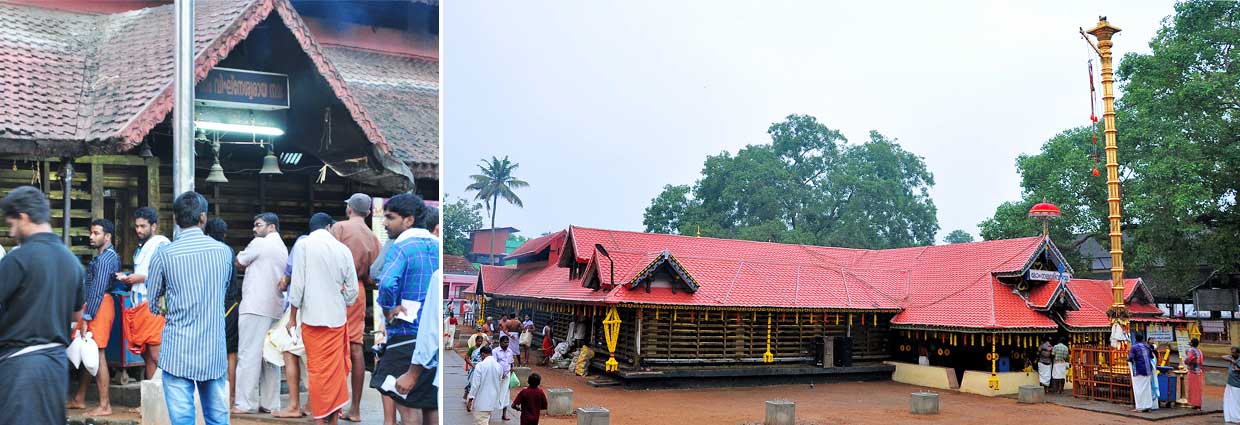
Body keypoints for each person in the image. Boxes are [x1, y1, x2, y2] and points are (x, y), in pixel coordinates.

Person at [145, 191, 235, 424]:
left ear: (175, 218)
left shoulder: (164, 254)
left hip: (178, 350)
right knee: (217, 417)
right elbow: (224, 292)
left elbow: (152, 301)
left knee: (182, 419)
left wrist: (166, 307)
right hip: (212, 348)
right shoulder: (223, 252)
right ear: (203, 218)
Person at [0, 187, 84, 425]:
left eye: (12, 223)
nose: (11, 231)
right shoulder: (72, 261)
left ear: (24, 217)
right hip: (56, 363)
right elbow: (78, 314)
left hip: (21, 365)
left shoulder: (18, 259)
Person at [371, 194, 440, 423]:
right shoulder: (437, 245)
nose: (385, 223)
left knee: (405, 402)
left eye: (390, 217)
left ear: (408, 220)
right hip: (432, 335)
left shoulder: (402, 246)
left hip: (405, 332)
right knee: (429, 402)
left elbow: (387, 282)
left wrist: (389, 309)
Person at [288, 213, 359, 424]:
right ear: (329, 227)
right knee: (336, 370)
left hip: (312, 319)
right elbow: (352, 290)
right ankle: (333, 420)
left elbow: (297, 285)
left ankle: (320, 419)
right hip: (337, 319)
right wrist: (342, 298)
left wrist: (292, 317)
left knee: (317, 371)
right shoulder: (342, 249)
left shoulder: (304, 245)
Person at [332, 193, 382, 422]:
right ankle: (356, 409)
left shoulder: (339, 228)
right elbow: (375, 275)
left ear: (349, 208)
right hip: (359, 290)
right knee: (355, 346)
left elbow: (328, 260)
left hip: (335, 288)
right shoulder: (373, 238)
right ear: (369, 213)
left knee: (331, 344)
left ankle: (332, 406)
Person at [233, 212, 289, 414]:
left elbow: (239, 261)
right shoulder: (282, 248)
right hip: (275, 307)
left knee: (248, 354)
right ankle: (270, 402)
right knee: (270, 356)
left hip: (255, 306)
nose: (254, 229)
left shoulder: (259, 243)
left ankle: (245, 402)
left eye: (258, 225)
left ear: (271, 227)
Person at [70, 218, 121, 416]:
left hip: (99, 306)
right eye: (91, 233)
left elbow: (98, 290)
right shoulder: (104, 257)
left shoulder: (105, 259)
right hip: (97, 305)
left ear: (107, 236)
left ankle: (105, 405)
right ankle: (80, 398)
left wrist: (88, 316)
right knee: (88, 352)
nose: (92, 237)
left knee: (98, 355)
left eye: (96, 233)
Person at [116, 207, 171, 380]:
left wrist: (140, 278)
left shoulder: (161, 244)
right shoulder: (142, 247)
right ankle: (151, 401)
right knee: (147, 355)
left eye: (143, 226)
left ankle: (165, 399)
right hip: (138, 305)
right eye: (137, 226)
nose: (139, 230)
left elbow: (166, 275)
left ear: (153, 226)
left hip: (152, 304)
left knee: (156, 354)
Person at [396, 269, 443, 425]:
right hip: (428, 355)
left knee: (407, 401)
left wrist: (413, 373)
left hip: (407, 334)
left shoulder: (437, 276)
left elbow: (431, 329)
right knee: (431, 405)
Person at [204, 219, 242, 409]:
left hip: (214, 306)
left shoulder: (208, 252)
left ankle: (214, 397)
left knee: (211, 350)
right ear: (224, 234)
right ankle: (231, 396)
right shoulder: (228, 251)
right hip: (231, 306)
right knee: (231, 353)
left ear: (207, 234)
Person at [467, 345, 504, 425]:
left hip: (482, 401)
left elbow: (475, 385)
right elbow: (499, 382)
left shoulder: (480, 366)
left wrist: (470, 398)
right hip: (493, 400)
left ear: (483, 354)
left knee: (480, 422)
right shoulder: (499, 367)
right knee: (485, 420)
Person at [1129, 333, 1155, 413]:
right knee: (1147, 389)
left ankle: (1140, 407)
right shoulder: (1147, 346)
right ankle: (1148, 406)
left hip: (1138, 370)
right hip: (1148, 370)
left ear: (1135, 339)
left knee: (1138, 389)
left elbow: (1130, 358)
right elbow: (1152, 357)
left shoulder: (1134, 347)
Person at [493, 334, 516, 421]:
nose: (506, 344)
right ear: (500, 342)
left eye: (508, 342)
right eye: (505, 342)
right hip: (497, 376)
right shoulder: (495, 351)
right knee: (494, 393)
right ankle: (489, 413)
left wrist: (512, 371)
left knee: (506, 394)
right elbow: (494, 364)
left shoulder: (510, 351)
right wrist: (499, 373)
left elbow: (511, 363)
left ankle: (504, 414)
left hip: (507, 376)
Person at [1184, 338, 1204, 409]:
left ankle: (1194, 404)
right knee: (1198, 389)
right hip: (1199, 372)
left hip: (1193, 372)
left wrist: (1186, 354)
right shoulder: (1199, 351)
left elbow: (1187, 361)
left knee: (1193, 389)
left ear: (1192, 343)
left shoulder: (1191, 350)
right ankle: (1198, 404)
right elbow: (1201, 361)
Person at [1224, 346, 1240, 423]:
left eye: (1234, 353)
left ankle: (1238, 418)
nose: (1232, 354)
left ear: (1238, 353)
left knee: (1236, 403)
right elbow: (1223, 357)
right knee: (1228, 401)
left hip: (1237, 385)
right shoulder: (1232, 358)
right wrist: (1231, 360)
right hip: (1230, 383)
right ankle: (1230, 417)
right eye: (1232, 352)